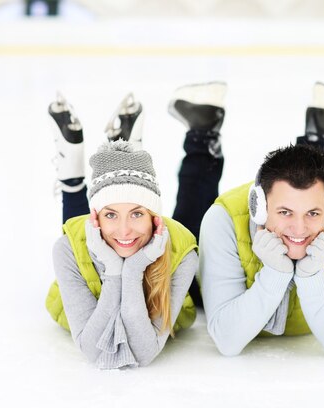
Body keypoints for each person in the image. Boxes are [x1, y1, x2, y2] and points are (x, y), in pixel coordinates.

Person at [198, 82, 324, 357]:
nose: (299, 228)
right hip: (214, 242)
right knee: (193, 212)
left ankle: (320, 131)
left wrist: (312, 275)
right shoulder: (223, 220)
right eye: (284, 212)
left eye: (314, 213)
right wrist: (275, 273)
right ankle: (202, 134)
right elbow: (227, 341)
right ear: (260, 208)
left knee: (313, 175)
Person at [44, 91, 208, 369]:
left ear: (154, 216)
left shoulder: (182, 254)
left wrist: (132, 270)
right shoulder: (68, 248)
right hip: (83, 270)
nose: (125, 230)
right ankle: (73, 172)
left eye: (137, 213)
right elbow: (94, 352)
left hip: (154, 251)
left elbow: (145, 353)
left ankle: (119, 157)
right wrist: (113, 269)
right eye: (110, 215)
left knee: (172, 226)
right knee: (77, 238)